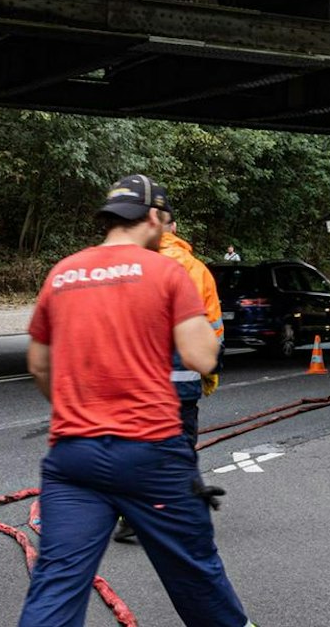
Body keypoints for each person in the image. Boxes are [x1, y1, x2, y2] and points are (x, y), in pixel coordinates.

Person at [18, 175, 253, 627]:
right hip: (152, 454)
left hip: (73, 457)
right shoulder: (170, 271)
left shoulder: (63, 272)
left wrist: (76, 409)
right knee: (195, 573)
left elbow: (39, 365)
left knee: (58, 581)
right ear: (151, 218)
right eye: (163, 221)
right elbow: (202, 357)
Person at [116, 210, 227, 545]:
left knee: (137, 448)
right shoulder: (196, 270)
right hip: (181, 386)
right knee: (179, 451)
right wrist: (208, 376)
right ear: (174, 227)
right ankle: (183, 521)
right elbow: (214, 334)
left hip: (136, 385)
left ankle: (131, 517)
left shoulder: (128, 264)